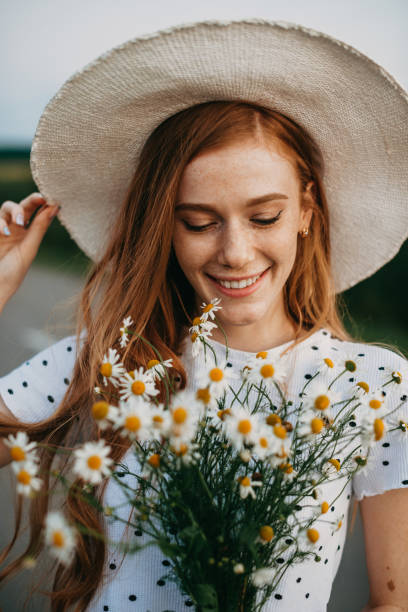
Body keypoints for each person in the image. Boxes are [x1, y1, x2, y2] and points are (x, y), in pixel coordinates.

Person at [0, 18, 408, 612]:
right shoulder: (115, 362)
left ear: (307, 210)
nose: (235, 252)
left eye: (264, 217)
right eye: (198, 222)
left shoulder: (372, 389)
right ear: (165, 225)